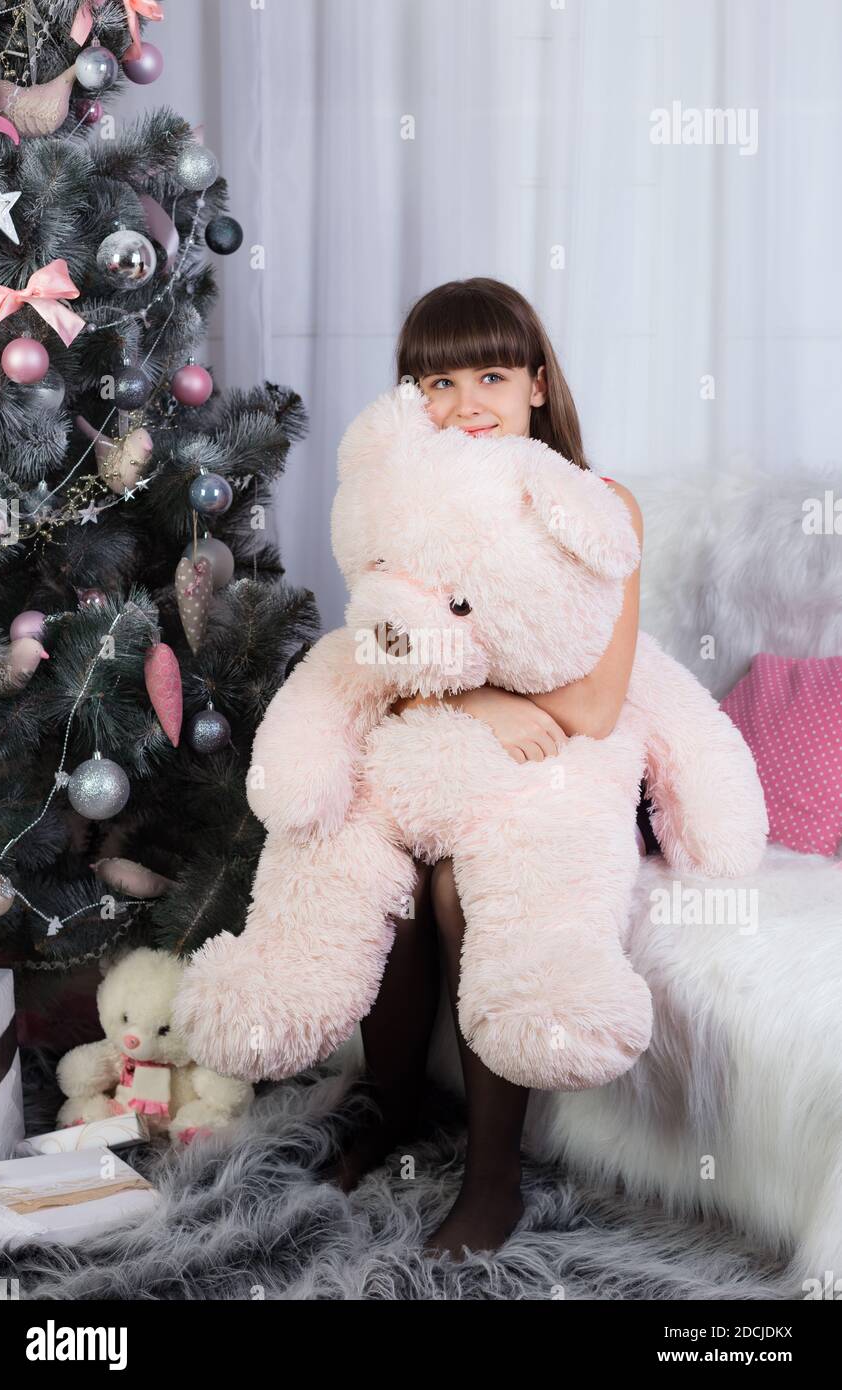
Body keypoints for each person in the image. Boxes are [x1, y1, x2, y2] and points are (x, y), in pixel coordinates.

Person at [320, 277, 660, 1260]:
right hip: (454, 743)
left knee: (461, 885)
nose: (464, 403)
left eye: (490, 375)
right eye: (435, 382)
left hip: (571, 760)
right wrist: (473, 699)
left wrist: (494, 706)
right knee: (371, 864)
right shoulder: (404, 508)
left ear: (537, 386)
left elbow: (596, 704)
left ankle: (493, 1173)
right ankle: (386, 1105)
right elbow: (390, 660)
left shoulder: (599, 505)